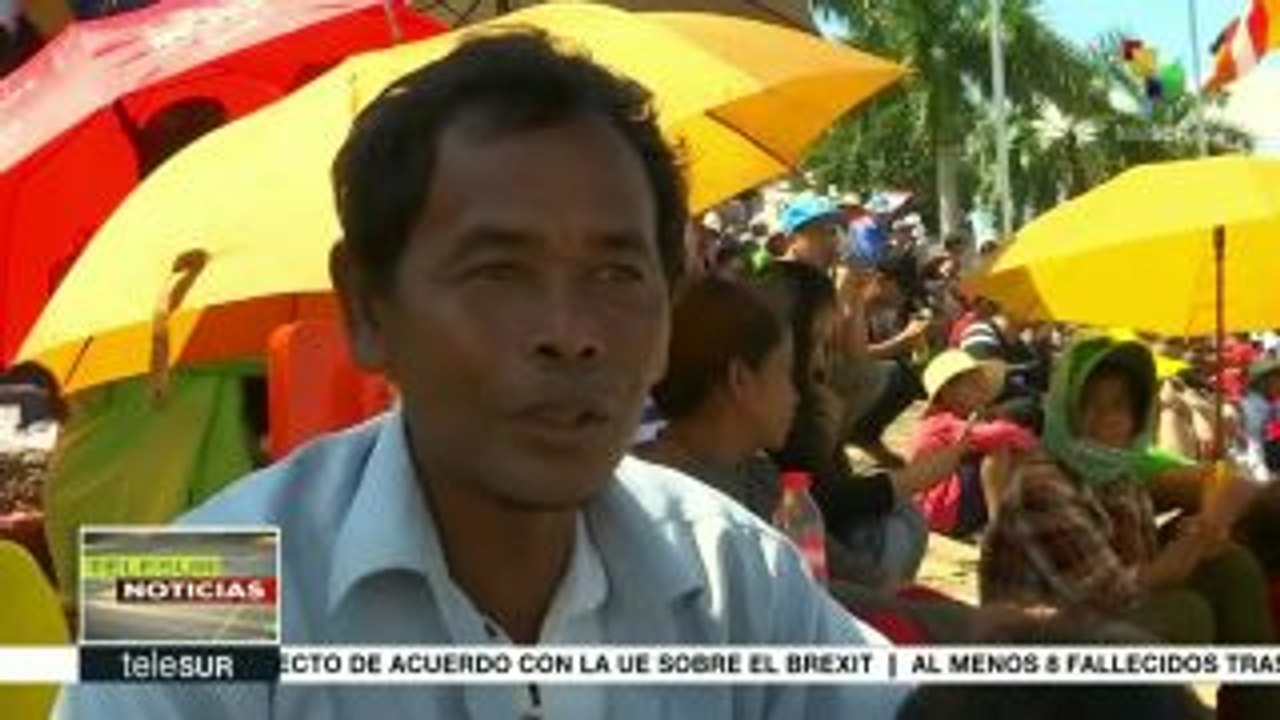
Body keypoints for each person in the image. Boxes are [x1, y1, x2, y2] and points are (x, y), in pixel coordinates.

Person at [55, 32, 906, 719]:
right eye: (496, 271)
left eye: (617, 275)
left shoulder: (731, 572)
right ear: (366, 309)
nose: (570, 335)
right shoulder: (186, 588)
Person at [980, 336, 1278, 719]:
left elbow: (1140, 561)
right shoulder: (1042, 484)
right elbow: (1116, 592)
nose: (1105, 417)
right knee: (1185, 614)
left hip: (1090, 621)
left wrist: (1198, 534)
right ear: (1065, 410)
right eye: (1089, 405)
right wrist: (1205, 528)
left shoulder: (1118, 477)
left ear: (1138, 415)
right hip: (1033, 658)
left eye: (1118, 404)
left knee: (1231, 568)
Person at [757, 260, 967, 589]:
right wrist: (916, 477)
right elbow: (824, 502)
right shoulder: (779, 410)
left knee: (904, 516)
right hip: (816, 567)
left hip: (818, 542)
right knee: (900, 526)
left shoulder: (804, 395)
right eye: (817, 344)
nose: (822, 360)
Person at [909, 350, 1036, 537]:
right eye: (974, 385)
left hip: (949, 508)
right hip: (941, 509)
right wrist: (1033, 444)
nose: (982, 392)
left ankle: (1009, 517)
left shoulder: (956, 421)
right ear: (948, 391)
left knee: (1011, 451)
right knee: (998, 449)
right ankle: (999, 526)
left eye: (981, 386)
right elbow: (999, 434)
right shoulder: (942, 422)